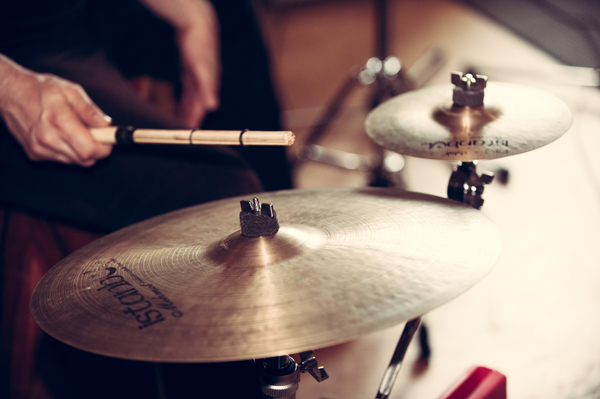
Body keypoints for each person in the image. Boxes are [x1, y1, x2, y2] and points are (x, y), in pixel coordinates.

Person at [0, 0, 292, 398]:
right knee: (219, 197)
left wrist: (190, 11)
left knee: (228, 14)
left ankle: (286, 294)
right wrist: (10, 87)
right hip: (15, 55)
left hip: (62, 19)